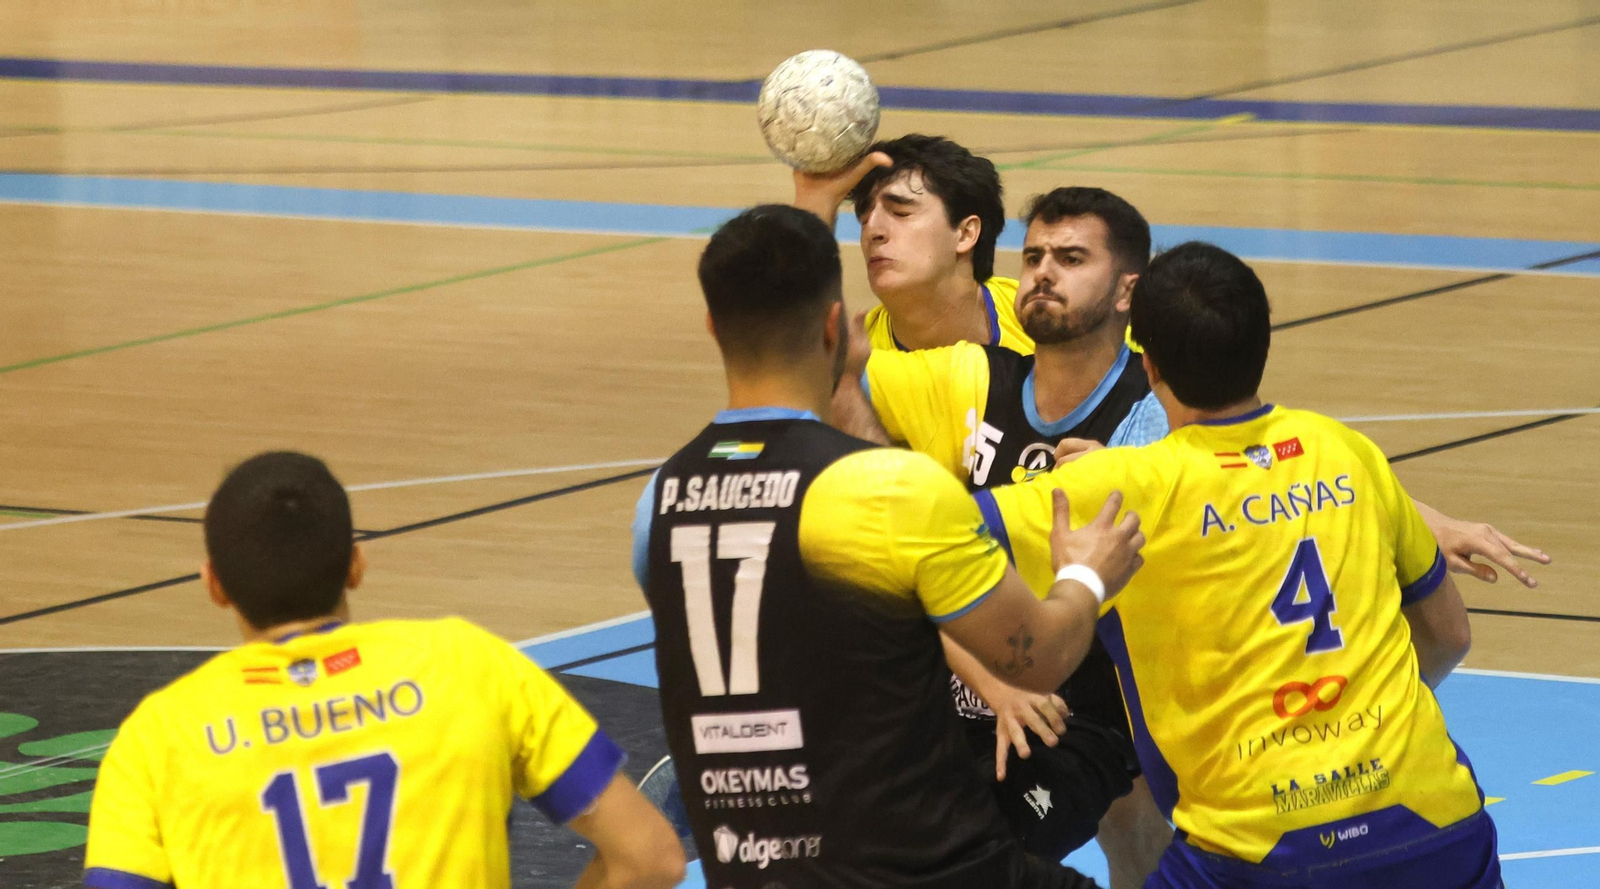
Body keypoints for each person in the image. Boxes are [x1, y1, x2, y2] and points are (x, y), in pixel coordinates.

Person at [630, 204, 1145, 888]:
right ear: (837, 328)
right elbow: (1039, 653)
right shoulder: (888, 490)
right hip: (902, 855)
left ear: (712, 327)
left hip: (761, 844)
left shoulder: (659, 499)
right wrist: (1085, 571)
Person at [978, 243, 1502, 888]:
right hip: (1436, 820)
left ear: (1149, 363)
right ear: (1262, 345)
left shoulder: (1119, 485)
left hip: (1257, 850)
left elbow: (929, 537)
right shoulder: (1345, 449)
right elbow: (1450, 635)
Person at [84, 451, 685, 889]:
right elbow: (650, 859)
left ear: (214, 584)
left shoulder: (156, 738)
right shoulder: (467, 664)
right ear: (356, 564)